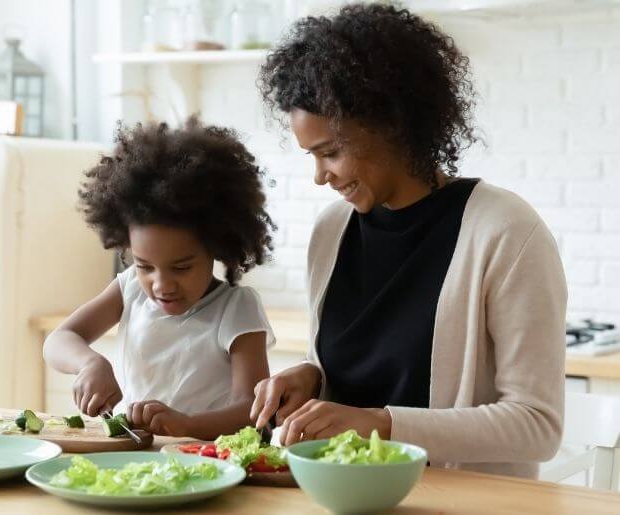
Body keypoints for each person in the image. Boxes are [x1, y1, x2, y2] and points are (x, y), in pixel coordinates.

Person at [250, 3, 567, 478]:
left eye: (331, 152)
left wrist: (379, 424)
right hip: (341, 493)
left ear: (392, 123)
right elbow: (351, 366)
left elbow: (537, 425)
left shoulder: (506, 232)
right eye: (312, 157)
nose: (320, 177)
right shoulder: (330, 233)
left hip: (461, 502)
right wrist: (310, 376)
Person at [44, 118, 276, 440]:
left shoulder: (236, 308)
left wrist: (187, 426)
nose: (161, 284)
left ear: (216, 246)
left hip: (204, 460)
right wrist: (89, 364)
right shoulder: (129, 289)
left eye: (181, 267)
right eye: (144, 265)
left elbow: (252, 409)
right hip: (138, 457)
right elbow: (59, 339)